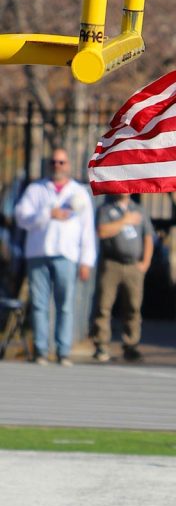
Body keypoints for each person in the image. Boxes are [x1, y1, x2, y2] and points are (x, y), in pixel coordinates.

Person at [13, 148, 96, 366]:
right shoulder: (36, 189)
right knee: (39, 304)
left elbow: (87, 230)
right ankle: (41, 350)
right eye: (54, 162)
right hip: (38, 253)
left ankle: (63, 350)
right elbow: (21, 216)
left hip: (66, 255)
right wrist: (47, 214)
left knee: (65, 304)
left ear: (68, 165)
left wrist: (86, 260)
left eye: (62, 162)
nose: (57, 166)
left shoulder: (79, 193)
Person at [91, 193, 155, 362]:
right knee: (104, 305)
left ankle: (131, 345)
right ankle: (102, 345)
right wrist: (124, 221)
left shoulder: (139, 210)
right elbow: (102, 231)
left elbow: (148, 238)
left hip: (134, 265)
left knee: (133, 307)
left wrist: (145, 263)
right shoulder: (106, 209)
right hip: (112, 263)